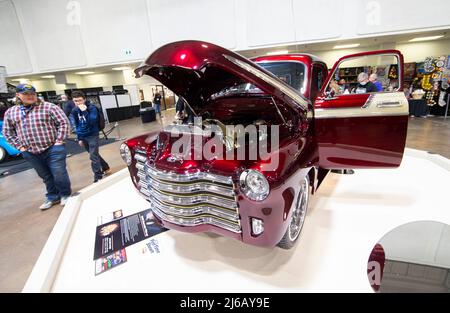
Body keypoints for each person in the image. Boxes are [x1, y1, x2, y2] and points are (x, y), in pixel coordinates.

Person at [3, 84, 72, 210]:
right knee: (45, 175)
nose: (30, 96)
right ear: (18, 95)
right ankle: (52, 196)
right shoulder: (11, 112)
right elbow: (8, 132)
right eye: (26, 94)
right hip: (30, 151)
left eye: (32, 94)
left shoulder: (48, 107)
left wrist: (59, 141)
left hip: (53, 148)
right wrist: (20, 147)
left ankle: (65, 194)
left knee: (59, 173)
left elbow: (64, 123)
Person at [70, 91, 110, 183]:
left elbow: (92, 121)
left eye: (80, 100)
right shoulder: (74, 110)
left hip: (93, 135)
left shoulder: (92, 108)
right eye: (75, 101)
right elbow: (77, 125)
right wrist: (80, 138)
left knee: (93, 156)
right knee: (94, 155)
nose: (78, 103)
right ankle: (105, 167)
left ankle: (97, 176)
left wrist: (84, 111)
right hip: (83, 136)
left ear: (84, 99)